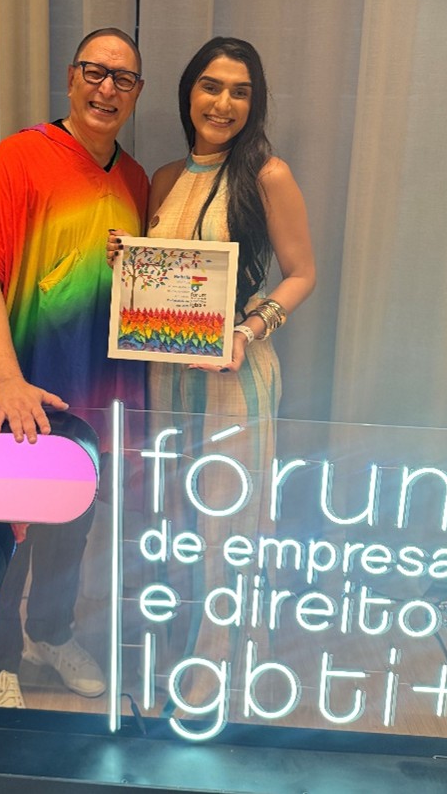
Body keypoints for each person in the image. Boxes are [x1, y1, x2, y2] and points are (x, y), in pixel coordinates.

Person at [108, 36, 315, 691]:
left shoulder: (267, 175)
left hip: (234, 374)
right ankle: (181, 650)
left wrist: (249, 331)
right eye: (211, 85)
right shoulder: (166, 178)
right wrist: (129, 262)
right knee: (174, 517)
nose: (223, 102)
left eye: (240, 91)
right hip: (166, 373)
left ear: (254, 103)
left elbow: (302, 273)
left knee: (228, 520)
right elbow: (169, 279)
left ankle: (219, 665)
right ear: (189, 92)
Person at [0, 28, 148, 709]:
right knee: (0, 527)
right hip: (16, 382)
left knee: (71, 522)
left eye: (123, 79)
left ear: (137, 94)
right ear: (71, 78)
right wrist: (6, 380)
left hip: (91, 389)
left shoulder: (135, 179)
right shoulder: (21, 155)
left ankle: (50, 632)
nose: (107, 88)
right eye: (95, 72)